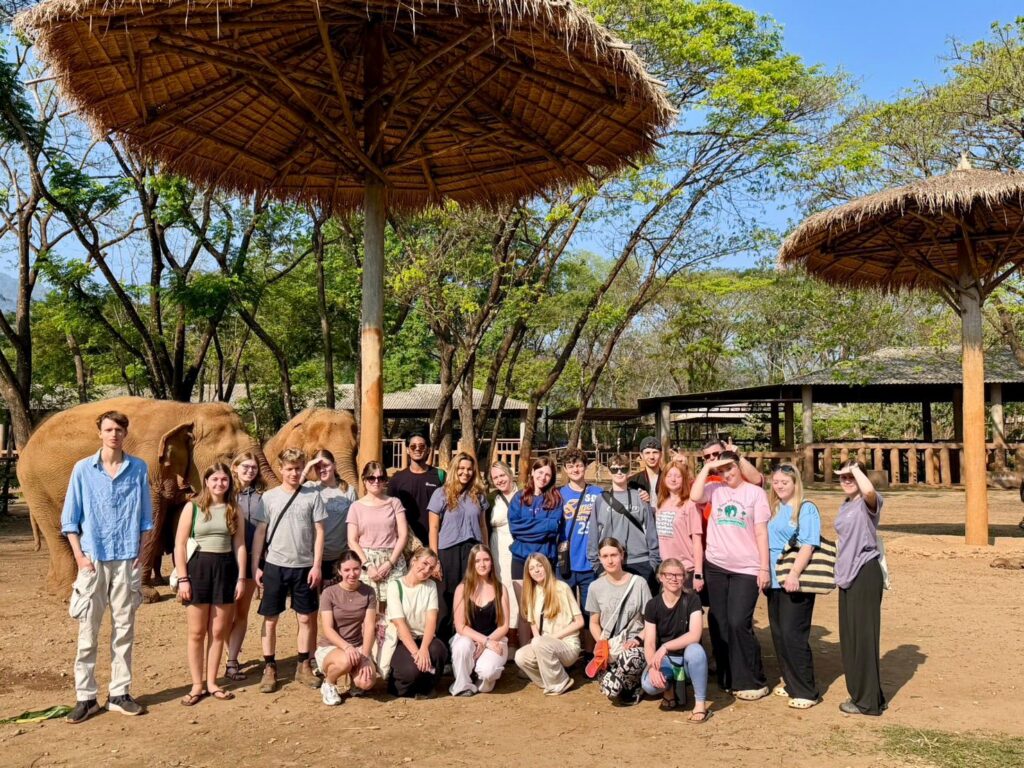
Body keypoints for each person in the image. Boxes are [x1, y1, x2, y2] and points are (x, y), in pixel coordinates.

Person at [62, 410, 153, 723]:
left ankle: (119, 693)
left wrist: (141, 552)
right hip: (93, 560)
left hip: (127, 559)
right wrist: (79, 558)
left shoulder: (138, 468)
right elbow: (70, 519)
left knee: (124, 630)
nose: (114, 434)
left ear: (125, 434)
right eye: (109, 429)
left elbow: (145, 519)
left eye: (119, 429)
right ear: (99, 433)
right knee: (88, 631)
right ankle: (86, 697)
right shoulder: (82, 470)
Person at [690, 450, 771, 701]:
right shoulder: (715, 490)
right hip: (716, 564)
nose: (727, 474)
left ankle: (752, 679)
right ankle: (727, 676)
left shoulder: (755, 493)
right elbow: (695, 495)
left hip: (746, 567)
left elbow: (760, 532)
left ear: (739, 467)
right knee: (720, 621)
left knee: (738, 622)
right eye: (722, 471)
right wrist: (709, 467)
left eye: (731, 468)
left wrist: (764, 567)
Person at [251, 448, 327, 693]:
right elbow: (260, 532)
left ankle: (303, 663)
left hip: (304, 566)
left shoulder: (312, 496)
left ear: (303, 467)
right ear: (281, 469)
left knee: (305, 618)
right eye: (290, 469)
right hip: (275, 565)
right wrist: (256, 566)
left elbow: (319, 533)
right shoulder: (270, 498)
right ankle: (269, 666)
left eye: (298, 468)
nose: (294, 473)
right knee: (271, 619)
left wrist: (316, 564)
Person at [175, 463, 246, 705]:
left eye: (224, 479)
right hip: (198, 569)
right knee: (196, 632)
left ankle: (213, 682)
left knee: (218, 632)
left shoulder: (234, 509)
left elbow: (240, 545)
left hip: (225, 570)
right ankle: (197, 685)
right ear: (206, 481)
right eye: (215, 479)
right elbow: (180, 545)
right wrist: (183, 578)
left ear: (229, 482)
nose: (219, 484)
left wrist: (241, 577)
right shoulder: (193, 507)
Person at [766, 463, 822, 709]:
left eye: (784, 482)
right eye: (776, 482)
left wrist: (794, 573)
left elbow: (808, 544)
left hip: (793, 580)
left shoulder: (805, 509)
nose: (779, 486)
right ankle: (790, 682)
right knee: (779, 634)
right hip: (773, 578)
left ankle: (806, 690)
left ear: (795, 483)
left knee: (793, 634)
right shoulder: (775, 506)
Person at [834, 459, 887, 716]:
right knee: (851, 638)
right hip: (847, 575)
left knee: (864, 638)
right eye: (842, 477)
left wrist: (856, 469)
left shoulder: (869, 503)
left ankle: (867, 703)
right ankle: (868, 695)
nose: (846, 481)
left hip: (865, 572)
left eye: (851, 477)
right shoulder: (846, 505)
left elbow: (868, 492)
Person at [428, 452, 489, 642]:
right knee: (447, 598)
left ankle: (468, 642)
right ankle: (444, 646)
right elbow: (433, 528)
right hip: (449, 551)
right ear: (455, 469)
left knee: (471, 596)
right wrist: (434, 559)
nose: (466, 472)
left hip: (473, 550)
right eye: (462, 468)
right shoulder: (441, 493)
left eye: (470, 469)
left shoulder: (478, 494)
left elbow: (483, 526)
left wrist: (486, 552)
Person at [641, 559, 710, 722]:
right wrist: (652, 667)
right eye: (669, 574)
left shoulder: (692, 600)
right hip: (665, 660)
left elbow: (695, 634)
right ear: (661, 577)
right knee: (649, 685)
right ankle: (669, 688)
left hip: (687, 659)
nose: (674, 578)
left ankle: (700, 704)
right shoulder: (652, 605)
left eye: (679, 575)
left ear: (684, 577)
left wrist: (665, 646)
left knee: (696, 651)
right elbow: (649, 642)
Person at [586, 538, 651, 705]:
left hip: (633, 645)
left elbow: (650, 621)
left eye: (614, 555)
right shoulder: (595, 587)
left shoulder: (639, 583)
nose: (610, 560)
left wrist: (637, 639)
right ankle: (620, 679)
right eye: (605, 556)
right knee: (610, 690)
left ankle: (636, 683)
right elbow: (593, 622)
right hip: (609, 646)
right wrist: (602, 642)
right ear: (599, 558)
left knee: (628, 659)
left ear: (622, 555)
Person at [380, 547, 449, 698]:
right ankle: (401, 686)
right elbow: (400, 623)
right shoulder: (395, 586)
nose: (426, 570)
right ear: (413, 561)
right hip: (402, 640)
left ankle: (427, 687)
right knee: (411, 670)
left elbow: (431, 619)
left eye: (431, 568)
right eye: (424, 564)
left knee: (439, 650)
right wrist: (416, 653)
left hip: (423, 637)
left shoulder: (430, 586)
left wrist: (424, 648)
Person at [508, 457, 562, 641]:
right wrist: (543, 525)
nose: (543, 477)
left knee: (545, 608)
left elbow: (554, 526)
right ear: (532, 472)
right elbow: (515, 527)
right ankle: (525, 654)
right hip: (520, 558)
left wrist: (534, 526)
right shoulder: (519, 498)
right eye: (540, 472)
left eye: (548, 474)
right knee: (525, 609)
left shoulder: (556, 499)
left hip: (545, 558)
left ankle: (546, 650)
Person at [514, 553, 583, 695]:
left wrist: (551, 638)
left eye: (540, 566)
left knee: (540, 643)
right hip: (544, 644)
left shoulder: (561, 588)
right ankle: (547, 681)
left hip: (567, 644)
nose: (537, 570)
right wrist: (537, 640)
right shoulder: (531, 593)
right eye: (532, 568)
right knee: (520, 656)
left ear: (546, 566)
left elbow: (580, 622)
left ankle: (560, 682)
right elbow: (533, 623)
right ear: (528, 572)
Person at [588, 453, 660, 588]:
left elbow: (651, 530)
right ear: (609, 472)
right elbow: (593, 534)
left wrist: (653, 563)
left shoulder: (640, 497)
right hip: (611, 562)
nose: (619, 473)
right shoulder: (600, 500)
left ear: (629, 471)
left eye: (623, 469)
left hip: (640, 561)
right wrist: (596, 565)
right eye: (615, 469)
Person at [316, 551, 378, 706]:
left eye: (356, 569)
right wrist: (346, 647)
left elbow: (370, 625)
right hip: (332, 646)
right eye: (347, 570)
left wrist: (364, 656)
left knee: (366, 682)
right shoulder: (329, 593)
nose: (352, 574)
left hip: (357, 646)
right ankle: (329, 683)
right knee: (345, 661)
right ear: (339, 571)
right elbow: (328, 629)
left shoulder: (369, 592)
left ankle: (353, 681)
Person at [224, 451, 266, 682]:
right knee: (223, 612)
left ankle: (231, 660)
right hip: (224, 560)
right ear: (235, 467)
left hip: (251, 560)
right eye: (245, 466)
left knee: (241, 612)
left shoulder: (261, 497)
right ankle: (225, 650)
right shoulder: (223, 494)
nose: (250, 471)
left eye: (253, 467)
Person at [449, 545, 511, 696]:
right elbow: (460, 626)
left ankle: (479, 676)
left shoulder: (500, 588)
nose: (482, 564)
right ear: (471, 564)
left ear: (492, 562)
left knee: (487, 676)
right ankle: (462, 685)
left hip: (495, 639)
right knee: (462, 645)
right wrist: (485, 641)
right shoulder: (462, 589)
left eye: (486, 560)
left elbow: (504, 626)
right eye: (477, 561)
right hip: (469, 638)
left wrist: (488, 642)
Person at [347, 462, 409, 605]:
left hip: (393, 559)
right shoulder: (355, 507)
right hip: (366, 561)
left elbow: (403, 535)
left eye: (380, 478)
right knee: (367, 608)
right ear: (364, 480)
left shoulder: (394, 503)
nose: (376, 481)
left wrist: (390, 563)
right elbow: (352, 540)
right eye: (371, 478)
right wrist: (367, 565)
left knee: (395, 608)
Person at [557, 449, 601, 651]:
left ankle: (591, 653)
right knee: (565, 611)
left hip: (589, 562)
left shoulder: (598, 493)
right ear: (565, 469)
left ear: (585, 466)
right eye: (571, 465)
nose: (575, 469)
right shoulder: (558, 495)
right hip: (565, 561)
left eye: (579, 465)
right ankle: (568, 650)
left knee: (590, 611)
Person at [388, 431, 445, 545]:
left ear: (428, 449)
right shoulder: (397, 479)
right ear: (408, 450)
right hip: (406, 542)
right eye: (413, 446)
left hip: (435, 540)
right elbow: (389, 512)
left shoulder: (440, 476)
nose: (417, 449)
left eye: (422, 446)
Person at [307, 449, 356, 580]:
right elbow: (293, 491)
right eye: (317, 467)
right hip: (315, 555)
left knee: (336, 597)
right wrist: (307, 467)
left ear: (334, 465)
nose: (321, 470)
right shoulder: (311, 488)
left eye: (326, 465)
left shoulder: (348, 490)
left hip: (339, 555)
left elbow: (354, 523)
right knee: (314, 599)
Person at [655, 459, 704, 590]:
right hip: (666, 569)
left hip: (685, 569)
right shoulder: (661, 504)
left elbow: (697, 541)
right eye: (669, 475)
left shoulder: (690, 504)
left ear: (684, 479)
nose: (673, 479)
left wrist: (698, 573)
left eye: (677, 476)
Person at [488, 461, 519, 643]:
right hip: (498, 548)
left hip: (519, 547)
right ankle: (505, 634)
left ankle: (520, 635)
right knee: (503, 590)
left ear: (510, 474)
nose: (500, 480)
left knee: (520, 591)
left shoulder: (524, 495)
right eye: (495, 477)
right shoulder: (492, 498)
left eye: (502, 475)